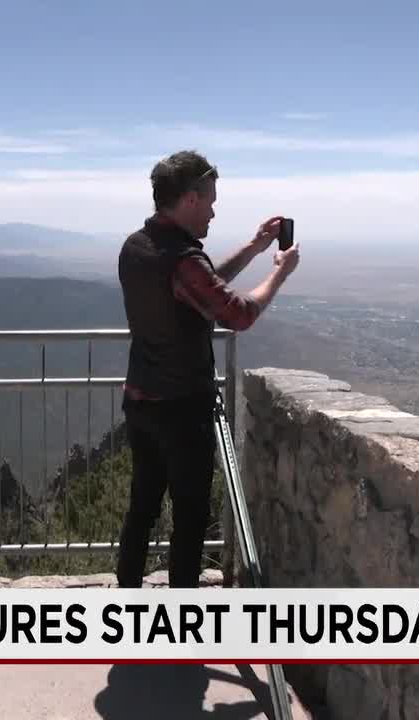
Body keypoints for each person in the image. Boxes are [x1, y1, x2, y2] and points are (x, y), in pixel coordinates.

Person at [116, 149, 301, 588]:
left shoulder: (137, 246)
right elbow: (236, 314)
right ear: (190, 199)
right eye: (212, 200)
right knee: (191, 515)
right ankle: (181, 625)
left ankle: (123, 605)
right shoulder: (182, 258)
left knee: (142, 507)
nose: (215, 212)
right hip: (181, 408)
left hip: (140, 400)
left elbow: (200, 284)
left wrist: (255, 247)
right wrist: (279, 273)